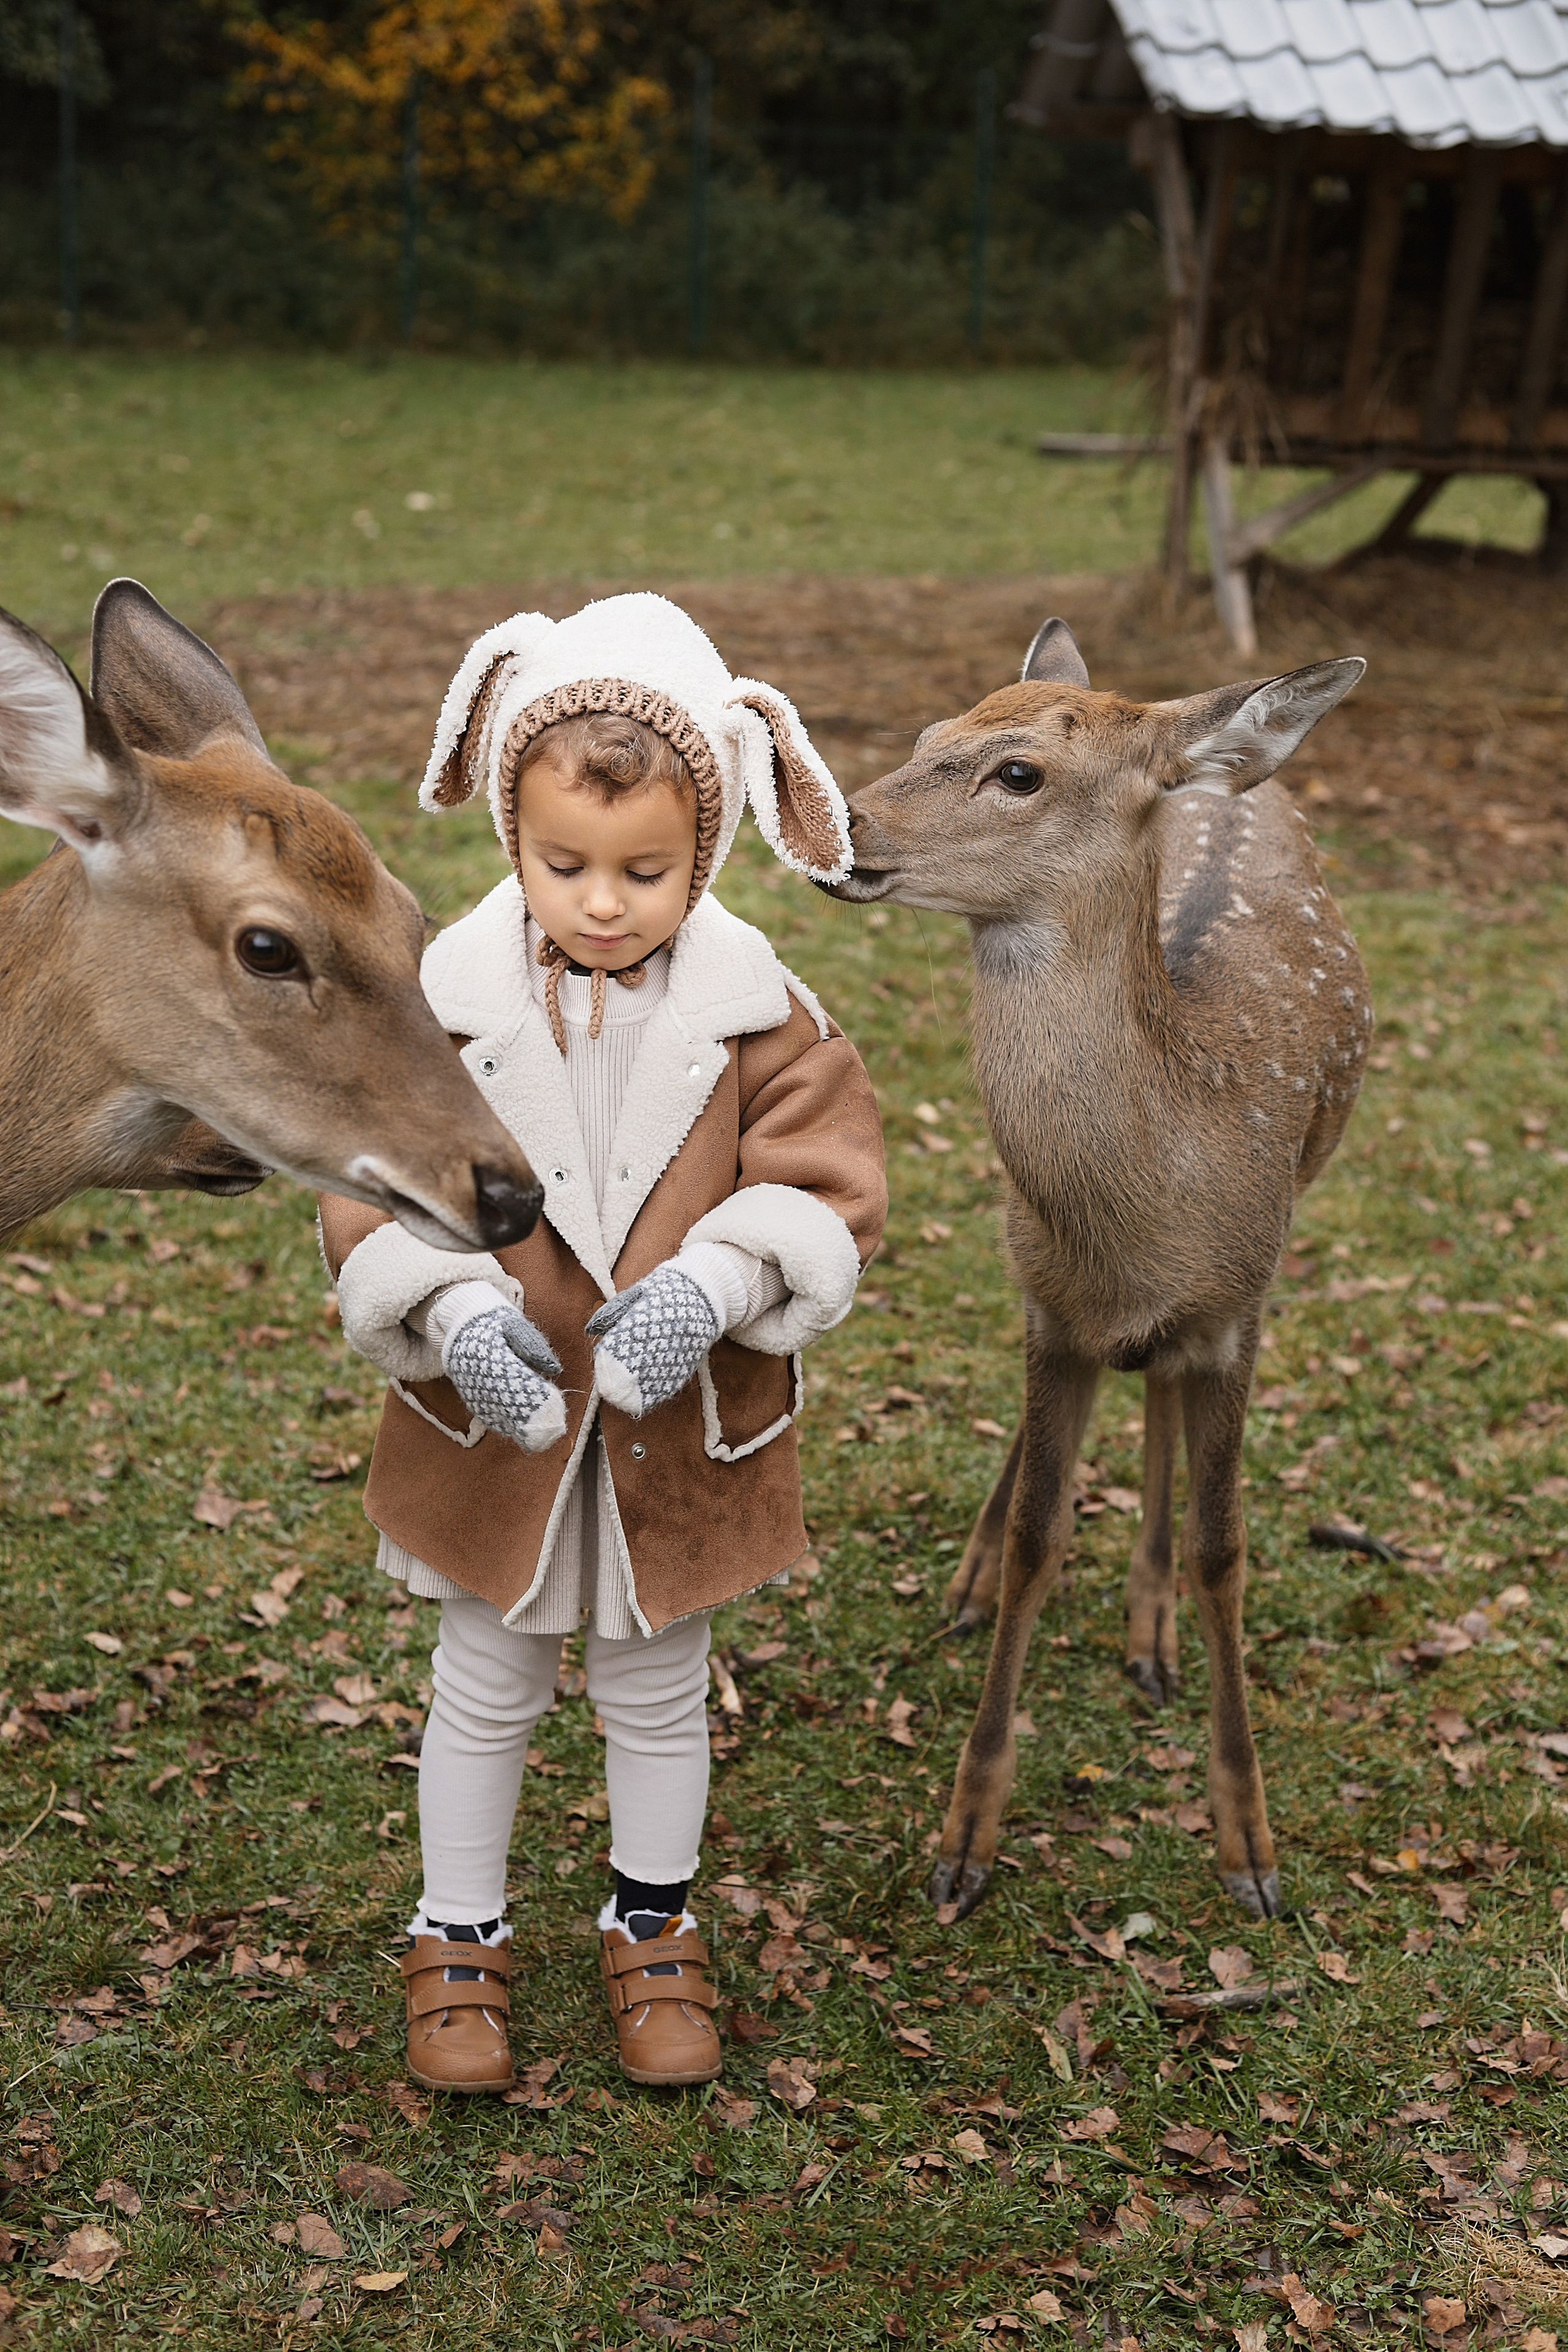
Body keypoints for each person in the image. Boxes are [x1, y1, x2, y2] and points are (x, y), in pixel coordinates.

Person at [318, 593, 886, 2094]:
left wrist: (719, 1280)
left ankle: (651, 1924)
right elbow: (366, 1184)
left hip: (669, 1428)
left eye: (646, 872)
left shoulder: (764, 1018)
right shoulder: (440, 1005)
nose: (603, 903)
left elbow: (824, 1186)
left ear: (708, 850)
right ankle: (456, 1933)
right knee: (482, 1679)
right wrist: (447, 1306)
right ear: (511, 830)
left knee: (655, 1687)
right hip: (497, 1423)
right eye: (563, 864)